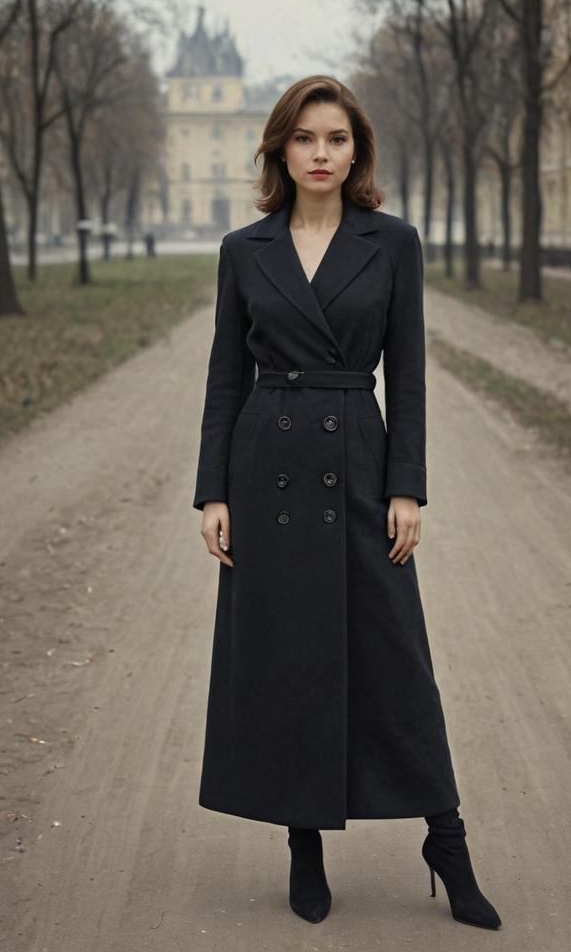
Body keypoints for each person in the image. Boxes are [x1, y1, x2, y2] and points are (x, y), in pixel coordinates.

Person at [192, 75, 501, 930]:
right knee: (290, 658)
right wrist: (212, 492)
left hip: (359, 467)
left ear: (356, 148)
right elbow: (226, 376)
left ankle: (446, 838)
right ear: (280, 150)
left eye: (335, 138)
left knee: (397, 657)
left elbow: (406, 371)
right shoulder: (244, 249)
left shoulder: (392, 242)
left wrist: (408, 485)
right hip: (269, 467)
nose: (320, 153)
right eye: (304, 139)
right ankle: (304, 842)